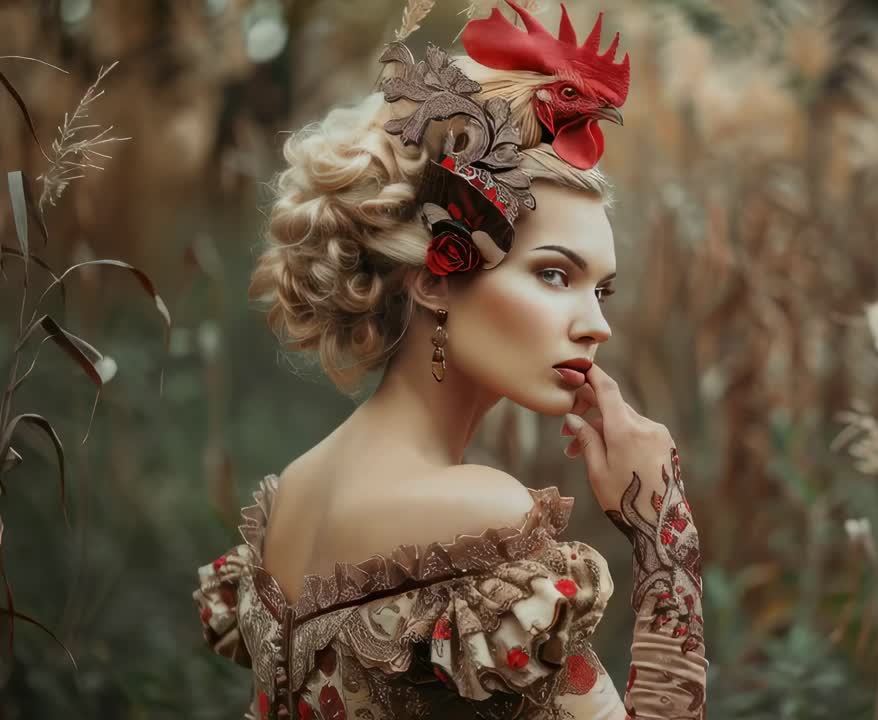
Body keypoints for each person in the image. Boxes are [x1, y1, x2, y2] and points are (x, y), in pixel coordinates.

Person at [191, 6, 705, 720]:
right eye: (555, 275)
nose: (597, 326)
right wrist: (662, 529)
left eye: (602, 288)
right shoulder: (480, 514)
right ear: (434, 278)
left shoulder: (290, 497)